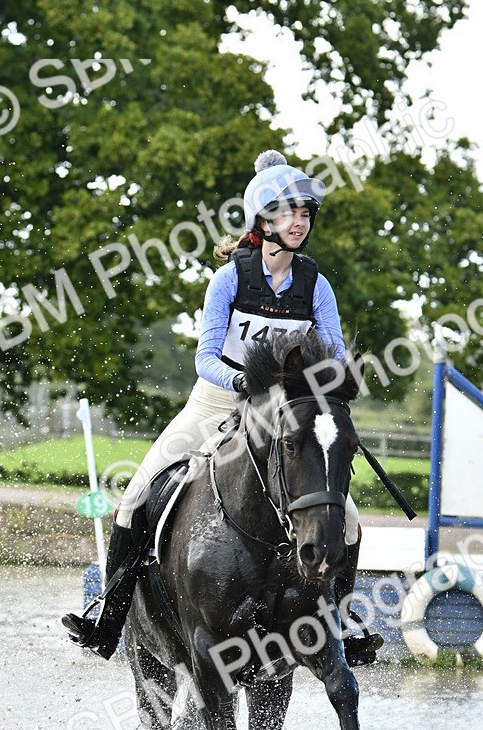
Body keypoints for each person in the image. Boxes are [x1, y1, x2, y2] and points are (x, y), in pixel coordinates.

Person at [62, 150, 382, 663]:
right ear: (264, 221)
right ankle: (110, 616)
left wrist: (321, 388)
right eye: (288, 212)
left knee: (345, 516)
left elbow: (335, 352)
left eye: (305, 214)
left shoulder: (315, 285)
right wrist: (242, 380)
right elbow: (205, 355)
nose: (299, 222)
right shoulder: (230, 279)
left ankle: (338, 623)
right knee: (135, 498)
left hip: (284, 411)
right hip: (216, 402)